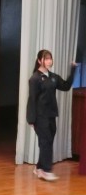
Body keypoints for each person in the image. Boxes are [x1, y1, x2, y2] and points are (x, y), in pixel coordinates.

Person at [26, 49, 76, 182]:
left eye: (50, 58)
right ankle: (46, 170)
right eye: (46, 58)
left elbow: (66, 86)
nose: (49, 61)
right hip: (40, 116)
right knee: (45, 141)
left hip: (51, 114)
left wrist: (73, 70)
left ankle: (39, 167)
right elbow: (32, 99)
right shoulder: (35, 78)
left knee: (48, 141)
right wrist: (31, 119)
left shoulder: (53, 77)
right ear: (39, 61)